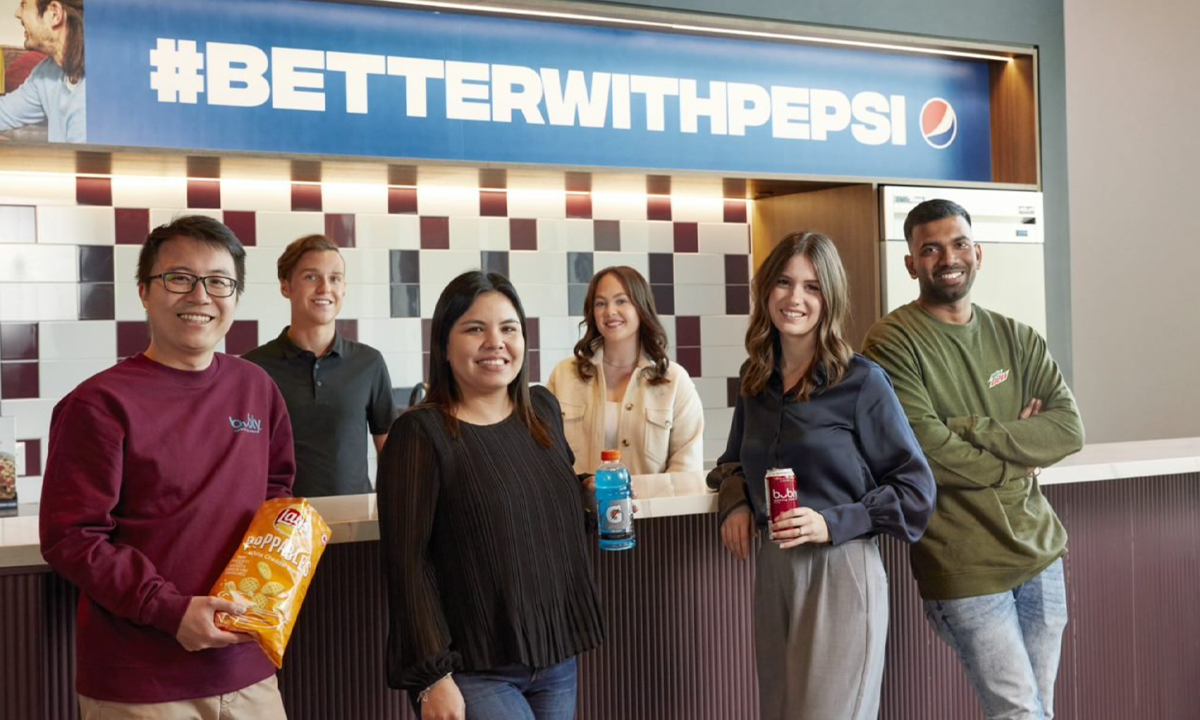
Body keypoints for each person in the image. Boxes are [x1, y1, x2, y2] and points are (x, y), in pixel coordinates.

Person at [39, 215, 295, 718]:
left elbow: (276, 493)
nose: (200, 295)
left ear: (236, 296)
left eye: (219, 281)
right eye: (179, 278)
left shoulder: (256, 387)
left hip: (247, 669)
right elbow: (72, 536)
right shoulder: (99, 403)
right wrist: (169, 610)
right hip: (140, 683)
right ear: (144, 291)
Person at [862, 199, 1085, 720]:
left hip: (1040, 553)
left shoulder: (1017, 336)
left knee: (1038, 710)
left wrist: (971, 429)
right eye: (931, 249)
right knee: (1018, 712)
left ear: (978, 252)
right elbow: (928, 456)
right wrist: (1020, 455)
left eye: (959, 243)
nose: (948, 258)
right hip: (962, 563)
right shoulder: (892, 343)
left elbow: (1068, 430)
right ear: (911, 264)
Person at [709, 231, 935, 720]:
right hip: (774, 570)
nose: (795, 298)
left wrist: (832, 522)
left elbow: (916, 492)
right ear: (767, 290)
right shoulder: (756, 379)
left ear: (829, 298)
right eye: (785, 283)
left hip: (841, 567)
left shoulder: (862, 382)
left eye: (812, 287)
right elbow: (730, 462)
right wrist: (736, 501)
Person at [376, 271, 604, 720]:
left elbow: (533, 504)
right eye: (475, 329)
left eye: (508, 328)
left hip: (555, 654)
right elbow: (407, 563)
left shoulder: (542, 410)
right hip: (473, 669)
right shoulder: (420, 433)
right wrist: (433, 676)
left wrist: (588, 496)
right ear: (444, 344)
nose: (495, 342)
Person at [244, 234, 398, 497]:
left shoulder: (369, 363)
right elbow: (242, 460)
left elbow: (392, 454)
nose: (325, 288)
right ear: (285, 286)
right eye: (311, 277)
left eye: (335, 278)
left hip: (357, 527)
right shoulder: (253, 369)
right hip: (281, 529)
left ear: (344, 288)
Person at [546, 266, 703, 475]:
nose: (610, 311)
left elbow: (686, 469)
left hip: (653, 507)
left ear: (641, 307)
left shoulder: (675, 381)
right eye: (601, 303)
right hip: (575, 507)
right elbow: (544, 453)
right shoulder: (563, 375)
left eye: (621, 301)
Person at [0, 0, 86, 142]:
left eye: (23, 4)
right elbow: (3, 113)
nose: (17, 13)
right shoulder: (45, 75)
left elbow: (85, 161)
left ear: (54, 14)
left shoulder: (96, 87)